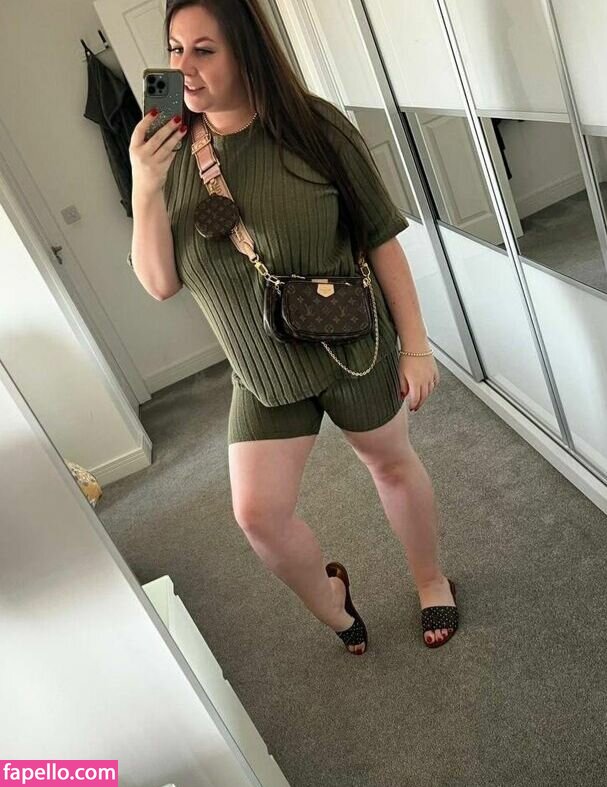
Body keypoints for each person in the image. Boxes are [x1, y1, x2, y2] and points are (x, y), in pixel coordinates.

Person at [128, 0, 459, 654]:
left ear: (246, 51)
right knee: (258, 516)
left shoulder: (314, 127)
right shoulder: (164, 153)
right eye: (174, 49)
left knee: (391, 464)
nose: (183, 68)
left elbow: (380, 237)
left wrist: (416, 346)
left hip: (351, 346)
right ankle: (333, 603)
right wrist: (144, 186)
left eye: (204, 50)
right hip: (261, 369)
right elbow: (160, 283)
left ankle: (430, 580)